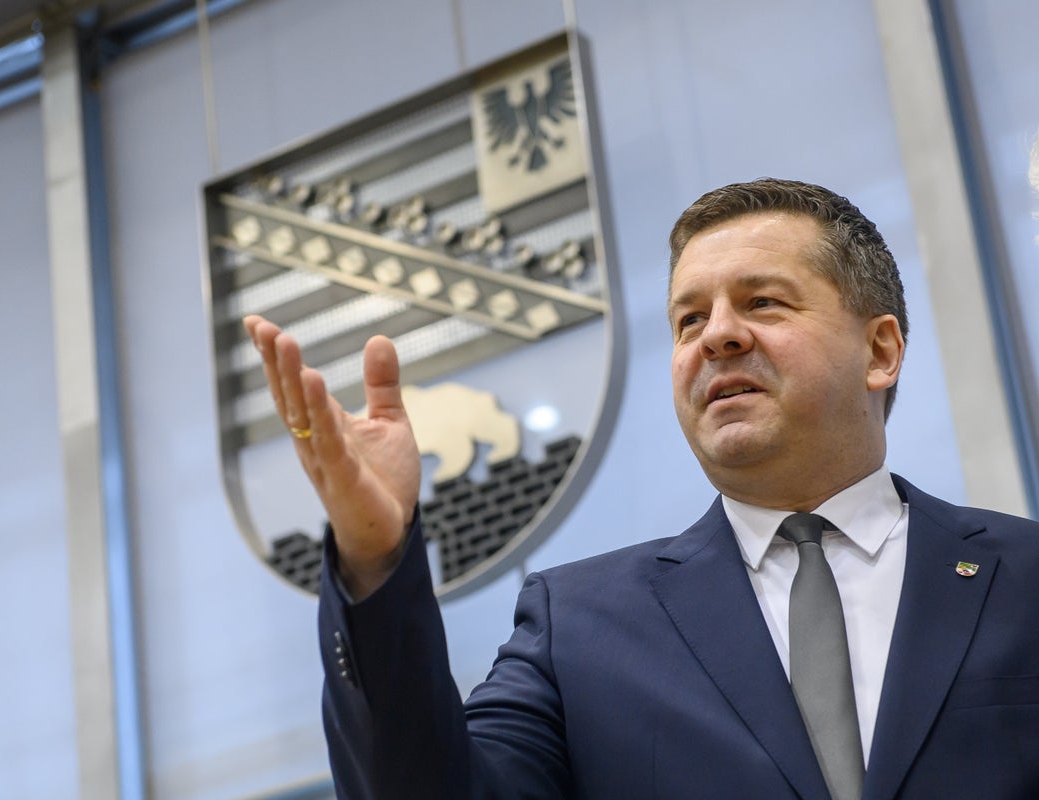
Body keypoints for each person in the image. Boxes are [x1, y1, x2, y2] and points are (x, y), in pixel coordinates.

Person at [244, 178, 1039, 799]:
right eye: (689, 320)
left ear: (881, 351)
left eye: (762, 302)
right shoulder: (579, 630)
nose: (717, 334)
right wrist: (376, 561)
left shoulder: (1024, 576)